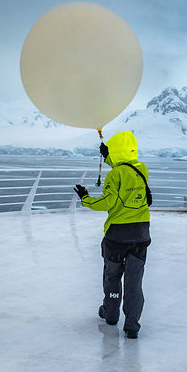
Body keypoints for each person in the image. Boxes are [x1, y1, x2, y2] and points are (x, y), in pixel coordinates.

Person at [73, 131, 151, 339]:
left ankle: (111, 313)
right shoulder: (142, 169)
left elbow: (108, 202)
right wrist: (108, 157)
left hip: (118, 235)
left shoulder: (114, 174)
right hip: (141, 234)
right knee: (135, 282)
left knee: (113, 276)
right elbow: (124, 168)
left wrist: (85, 198)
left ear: (116, 150)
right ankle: (132, 325)